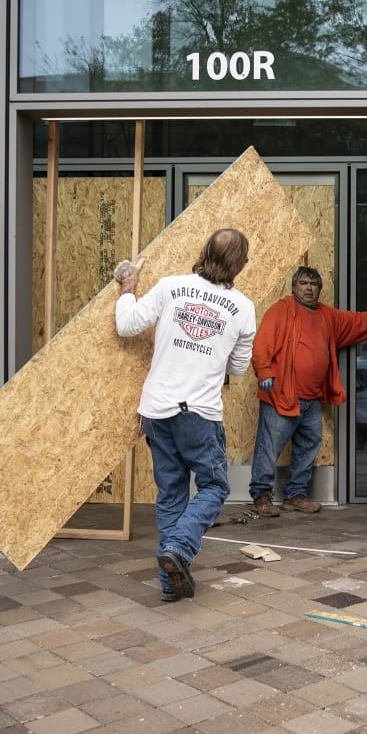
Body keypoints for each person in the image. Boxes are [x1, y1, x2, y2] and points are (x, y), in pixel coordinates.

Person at [114, 229, 257, 602]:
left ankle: (171, 583)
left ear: (204, 251)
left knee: (172, 491)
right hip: (199, 413)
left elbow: (126, 325)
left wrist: (128, 287)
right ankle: (178, 548)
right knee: (215, 487)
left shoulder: (170, 287)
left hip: (156, 409)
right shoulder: (242, 307)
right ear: (239, 263)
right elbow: (240, 368)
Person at [250, 266, 367, 516]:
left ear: (319, 290)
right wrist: (264, 373)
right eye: (303, 283)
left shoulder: (327, 316)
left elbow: (359, 322)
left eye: (314, 284)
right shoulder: (282, 310)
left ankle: (296, 494)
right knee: (269, 446)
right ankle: (261, 496)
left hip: (312, 398)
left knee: (308, 445)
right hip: (281, 396)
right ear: (294, 287)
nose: (309, 288)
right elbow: (262, 344)